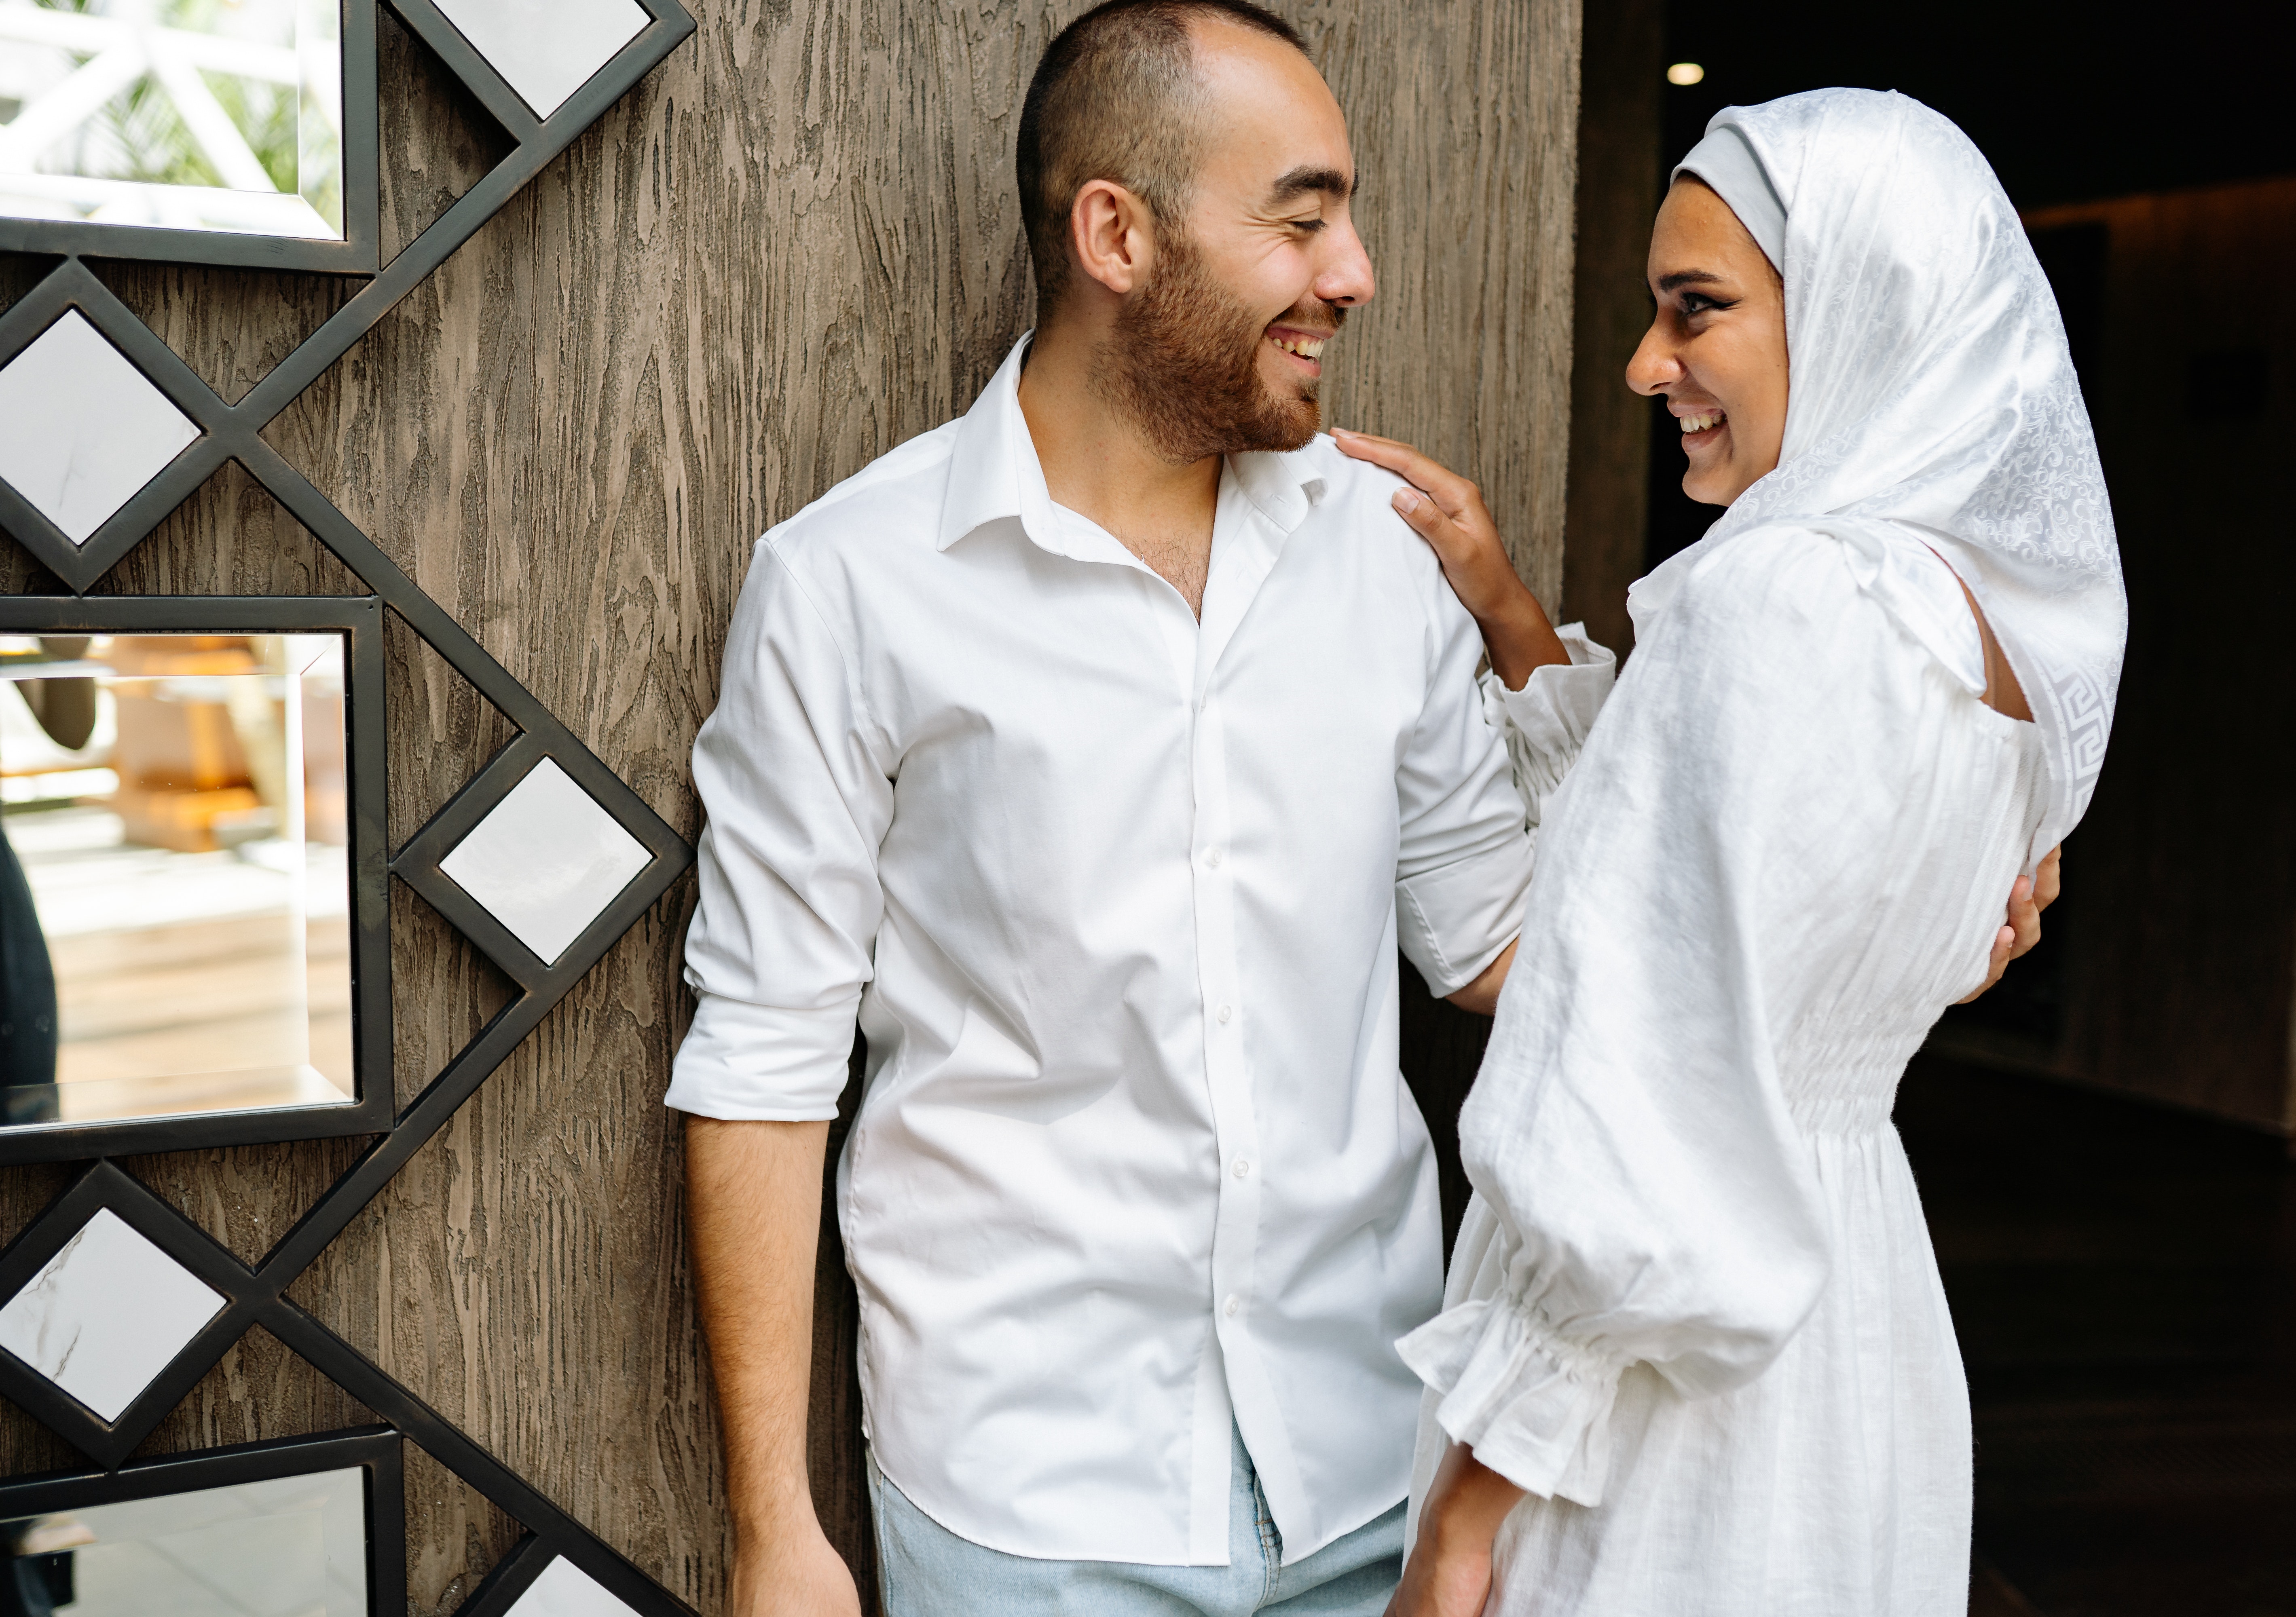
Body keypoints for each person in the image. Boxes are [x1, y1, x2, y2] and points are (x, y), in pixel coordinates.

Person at [668, 6, 1597, 1614]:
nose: (1357, 271)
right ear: (1116, 232)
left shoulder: (1382, 557)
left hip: (1377, 1471)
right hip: (1024, 1504)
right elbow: (764, 1054)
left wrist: (1856, 876)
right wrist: (778, 1526)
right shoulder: (850, 582)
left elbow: (1500, 951)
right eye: (1301, 221)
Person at [1356, 89, 2123, 1616]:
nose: (1649, 364)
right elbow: (1698, 862)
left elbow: (1643, 1105)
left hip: (1666, 1405)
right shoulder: (1990, 640)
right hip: (1857, 1336)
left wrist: (1466, 1513)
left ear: (1857, 307)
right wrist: (1512, 615)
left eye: (1695, 309)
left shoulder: (1775, 600)